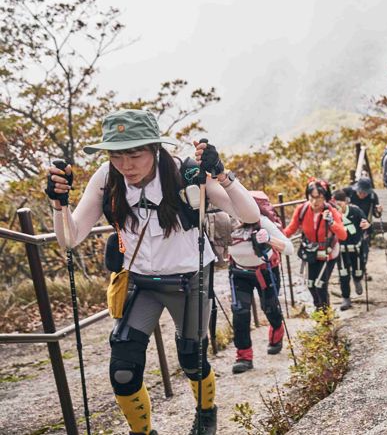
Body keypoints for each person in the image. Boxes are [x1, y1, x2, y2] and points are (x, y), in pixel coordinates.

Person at [46, 109, 260, 435]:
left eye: (135, 154)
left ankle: (206, 414)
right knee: (122, 372)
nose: (126, 165)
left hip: (190, 280)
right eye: (117, 155)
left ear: (155, 148)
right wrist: (59, 203)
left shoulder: (185, 172)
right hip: (141, 282)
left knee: (192, 359)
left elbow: (248, 214)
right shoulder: (106, 178)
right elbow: (70, 238)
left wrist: (220, 173)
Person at [228, 192, 295, 374]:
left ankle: (277, 331)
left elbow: (289, 248)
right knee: (240, 312)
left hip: (265, 271)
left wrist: (268, 239)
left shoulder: (262, 222)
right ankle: (244, 356)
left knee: (270, 307)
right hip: (238, 272)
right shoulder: (225, 222)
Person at [283, 179, 346, 311]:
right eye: (312, 197)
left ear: (325, 197)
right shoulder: (302, 209)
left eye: (319, 197)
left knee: (320, 285)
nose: (315, 201)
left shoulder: (331, 211)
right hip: (312, 252)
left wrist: (331, 223)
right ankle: (320, 310)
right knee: (311, 285)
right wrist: (276, 240)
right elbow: (291, 229)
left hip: (328, 253)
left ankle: (325, 316)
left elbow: (343, 235)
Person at [331, 189, 370, 310]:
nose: (338, 206)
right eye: (335, 203)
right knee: (343, 273)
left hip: (356, 248)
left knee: (358, 270)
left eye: (340, 203)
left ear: (345, 202)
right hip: (341, 249)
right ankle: (346, 298)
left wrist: (365, 224)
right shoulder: (331, 215)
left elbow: (366, 222)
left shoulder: (355, 210)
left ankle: (357, 279)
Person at [344, 177, 383, 274]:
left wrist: (379, 211)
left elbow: (376, 215)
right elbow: (335, 198)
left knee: (364, 249)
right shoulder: (349, 192)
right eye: (360, 192)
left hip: (364, 226)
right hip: (349, 225)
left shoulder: (372, 196)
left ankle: (362, 269)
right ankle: (348, 269)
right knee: (348, 248)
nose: (362, 194)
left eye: (365, 193)